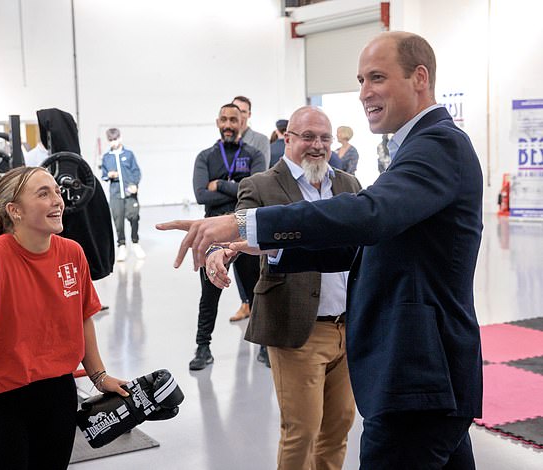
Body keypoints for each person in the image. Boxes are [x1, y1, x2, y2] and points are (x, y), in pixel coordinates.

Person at [158, 31, 483, 469]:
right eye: (360, 79)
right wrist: (267, 247)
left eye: (377, 78)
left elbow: (369, 216)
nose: (364, 92)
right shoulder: (417, 147)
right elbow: (365, 246)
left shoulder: (438, 143)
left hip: (419, 373)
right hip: (418, 372)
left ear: (419, 77)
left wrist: (244, 221)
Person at [206, 106, 360, 470]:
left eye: (324, 137)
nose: (318, 146)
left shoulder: (348, 185)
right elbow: (237, 228)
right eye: (308, 137)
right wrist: (219, 250)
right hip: (297, 328)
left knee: (339, 428)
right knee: (302, 431)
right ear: (287, 139)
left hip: (349, 328)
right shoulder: (261, 185)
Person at [0, 166, 129, 470]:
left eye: (56, 191)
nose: (57, 200)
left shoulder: (72, 253)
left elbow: (83, 317)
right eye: (43, 194)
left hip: (57, 394)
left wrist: (99, 376)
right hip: (0, 401)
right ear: (14, 211)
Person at [188, 103, 265, 370]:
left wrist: (220, 184)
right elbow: (201, 195)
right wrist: (239, 190)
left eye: (234, 119)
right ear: (218, 122)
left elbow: (257, 192)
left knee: (256, 289)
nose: (229, 124)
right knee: (209, 293)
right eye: (224, 119)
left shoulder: (254, 155)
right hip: (212, 235)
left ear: (242, 122)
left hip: (246, 228)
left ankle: (265, 345)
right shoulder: (205, 157)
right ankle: (202, 347)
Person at [229, 96, 271, 322]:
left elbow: (257, 177)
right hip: (234, 208)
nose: (240, 115)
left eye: (243, 111)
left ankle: (258, 307)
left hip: (255, 209)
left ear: (249, 114)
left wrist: (225, 185)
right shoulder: (227, 143)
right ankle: (245, 303)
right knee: (237, 256)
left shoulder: (259, 141)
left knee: (254, 260)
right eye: (236, 111)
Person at [101, 128, 145, 261]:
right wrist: (108, 175)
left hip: (129, 193)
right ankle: (121, 245)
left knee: (134, 216)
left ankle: (135, 242)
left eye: (115, 139)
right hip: (115, 194)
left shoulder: (129, 154)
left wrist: (134, 185)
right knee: (118, 220)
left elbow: (136, 171)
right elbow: (103, 175)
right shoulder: (107, 157)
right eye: (111, 140)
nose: (113, 142)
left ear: (120, 138)